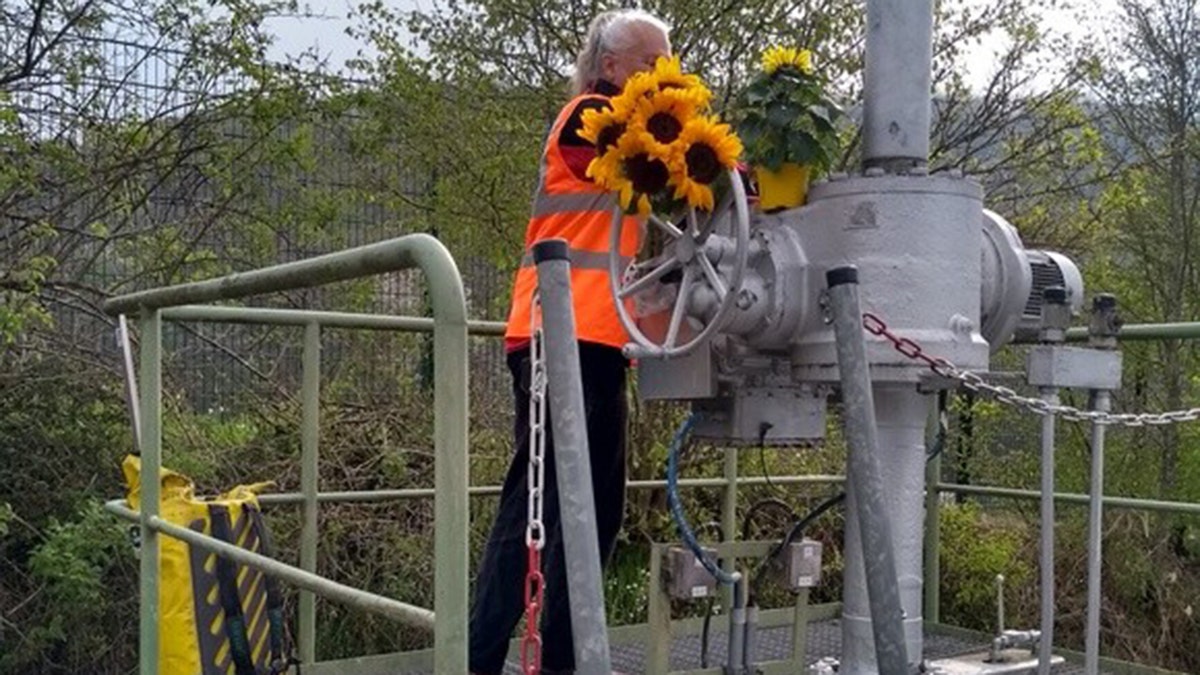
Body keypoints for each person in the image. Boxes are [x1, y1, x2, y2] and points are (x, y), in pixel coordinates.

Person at [468, 9, 671, 675]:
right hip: (558, 333)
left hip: (595, 339)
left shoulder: (632, 129)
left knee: (594, 508)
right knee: (541, 500)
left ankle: (559, 657)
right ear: (611, 67)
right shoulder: (590, 118)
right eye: (649, 65)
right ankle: (479, 654)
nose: (661, 78)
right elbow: (644, 169)